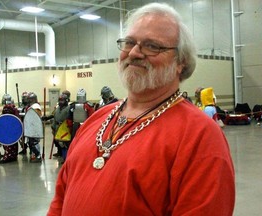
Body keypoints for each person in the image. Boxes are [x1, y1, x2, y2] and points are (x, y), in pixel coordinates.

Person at [47, 3, 235, 216]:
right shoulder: (97, 119)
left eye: (152, 46)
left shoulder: (200, 136)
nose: (135, 53)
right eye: (129, 42)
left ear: (180, 62)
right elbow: (60, 197)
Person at [0, 94, 20, 163]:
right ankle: (13, 155)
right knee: (14, 142)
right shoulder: (13, 107)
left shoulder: (7, 108)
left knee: (8, 142)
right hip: (14, 128)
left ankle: (8, 156)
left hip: (9, 128)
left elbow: (6, 118)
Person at [51, 93, 72, 163]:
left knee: (64, 144)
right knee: (59, 143)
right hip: (57, 127)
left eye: (62, 100)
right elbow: (54, 117)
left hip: (64, 128)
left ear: (66, 101)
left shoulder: (69, 108)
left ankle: (66, 158)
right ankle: (62, 156)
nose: (60, 102)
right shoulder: (57, 109)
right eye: (59, 100)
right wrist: (53, 127)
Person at [25, 92, 42, 163]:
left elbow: (36, 117)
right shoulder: (31, 106)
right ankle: (34, 155)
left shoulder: (36, 107)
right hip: (31, 127)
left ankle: (38, 156)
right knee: (30, 142)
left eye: (29, 99)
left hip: (35, 128)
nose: (28, 101)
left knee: (34, 142)